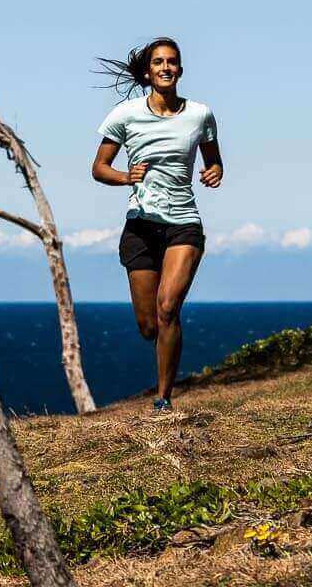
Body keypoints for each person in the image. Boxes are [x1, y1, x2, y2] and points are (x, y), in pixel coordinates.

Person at [92, 37, 223, 412]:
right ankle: (162, 382)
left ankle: (163, 398)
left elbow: (214, 160)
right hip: (141, 228)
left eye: (172, 62)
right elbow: (98, 168)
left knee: (168, 309)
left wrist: (214, 171)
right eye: (158, 62)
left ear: (180, 69)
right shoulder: (125, 115)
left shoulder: (200, 115)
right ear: (148, 72)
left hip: (184, 223)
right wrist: (125, 177)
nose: (166, 67)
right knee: (149, 325)